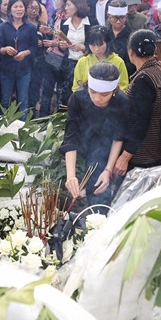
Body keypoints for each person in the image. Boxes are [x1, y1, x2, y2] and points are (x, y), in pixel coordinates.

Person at [62, 62, 129, 210]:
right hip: (86, 144)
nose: (97, 98)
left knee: (110, 195)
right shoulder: (78, 98)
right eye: (92, 92)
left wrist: (108, 170)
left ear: (115, 89)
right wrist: (71, 175)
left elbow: (119, 136)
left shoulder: (122, 102)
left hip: (111, 148)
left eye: (104, 94)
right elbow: (71, 136)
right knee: (93, 189)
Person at [113, 30, 161, 183]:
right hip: (156, 147)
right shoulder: (157, 71)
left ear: (130, 52)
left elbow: (140, 121)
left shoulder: (143, 80)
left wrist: (125, 156)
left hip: (143, 154)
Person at [0, 0, 37, 118]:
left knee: (23, 101)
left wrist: (25, 53)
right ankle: (5, 127)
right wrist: (5, 49)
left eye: (21, 7)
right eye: (15, 7)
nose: (19, 9)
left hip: (24, 70)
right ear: (10, 9)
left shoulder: (30, 27)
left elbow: (35, 47)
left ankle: (21, 129)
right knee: (5, 100)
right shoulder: (3, 27)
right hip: (6, 70)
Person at [59, 0, 97, 108]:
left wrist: (83, 48)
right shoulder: (64, 25)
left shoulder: (91, 23)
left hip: (86, 63)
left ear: (77, 6)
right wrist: (62, 45)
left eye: (68, 5)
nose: (65, 8)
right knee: (68, 95)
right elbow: (61, 48)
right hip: (69, 64)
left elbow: (97, 44)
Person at [72, 25, 128, 92]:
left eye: (100, 44)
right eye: (92, 45)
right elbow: (76, 87)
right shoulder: (82, 62)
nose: (97, 49)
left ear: (107, 43)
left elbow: (123, 86)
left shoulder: (118, 61)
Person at [105, 0, 135, 76]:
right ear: (109, 16)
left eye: (121, 18)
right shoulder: (104, 34)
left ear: (126, 16)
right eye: (115, 18)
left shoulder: (132, 36)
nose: (118, 21)